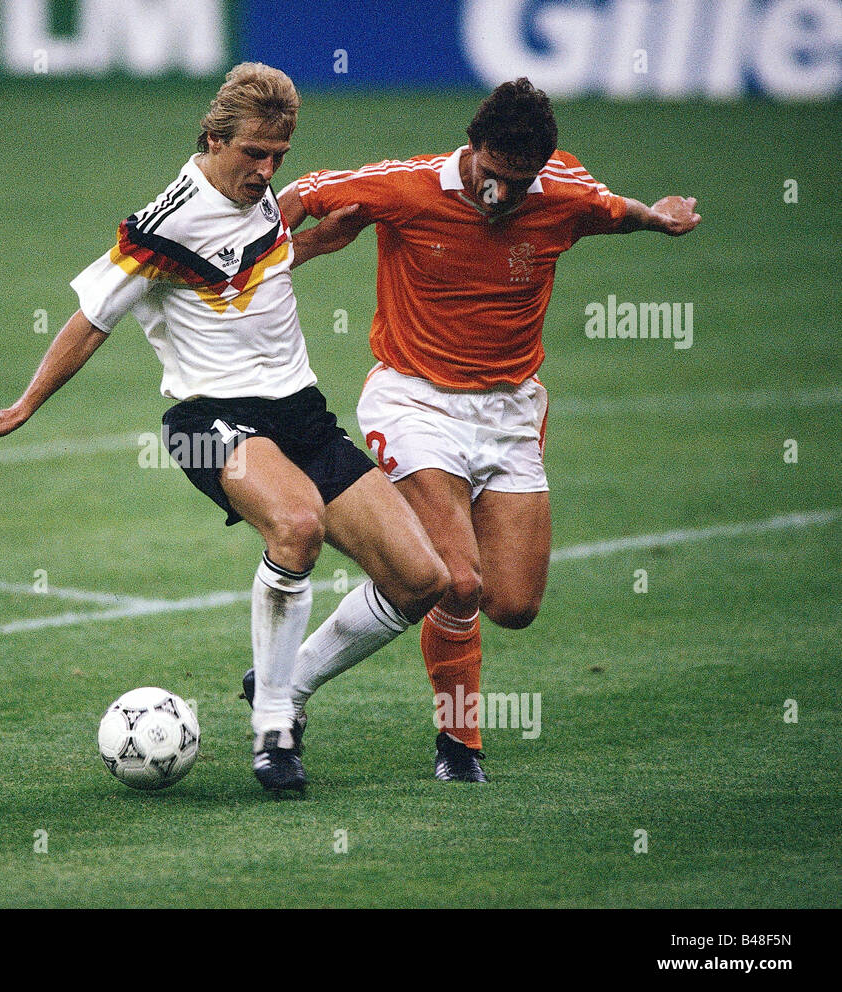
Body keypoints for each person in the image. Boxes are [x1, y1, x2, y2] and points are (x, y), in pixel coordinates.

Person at [0, 63, 447, 793]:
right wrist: (24, 406)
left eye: (279, 156)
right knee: (298, 525)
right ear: (213, 138)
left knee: (421, 581)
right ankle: (274, 730)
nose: (268, 169)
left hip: (300, 412)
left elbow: (243, 272)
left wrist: (310, 244)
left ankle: (283, 682)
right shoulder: (163, 224)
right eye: (254, 154)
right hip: (205, 419)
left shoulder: (261, 199)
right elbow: (93, 319)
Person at [278, 77, 701, 781]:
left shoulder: (563, 195)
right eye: (492, 177)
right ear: (471, 148)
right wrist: (249, 247)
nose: (501, 195)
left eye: (520, 181)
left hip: (508, 413)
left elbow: (613, 211)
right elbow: (302, 195)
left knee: (513, 603)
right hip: (415, 402)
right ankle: (454, 744)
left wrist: (657, 217)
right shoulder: (407, 187)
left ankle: (289, 672)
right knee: (458, 581)